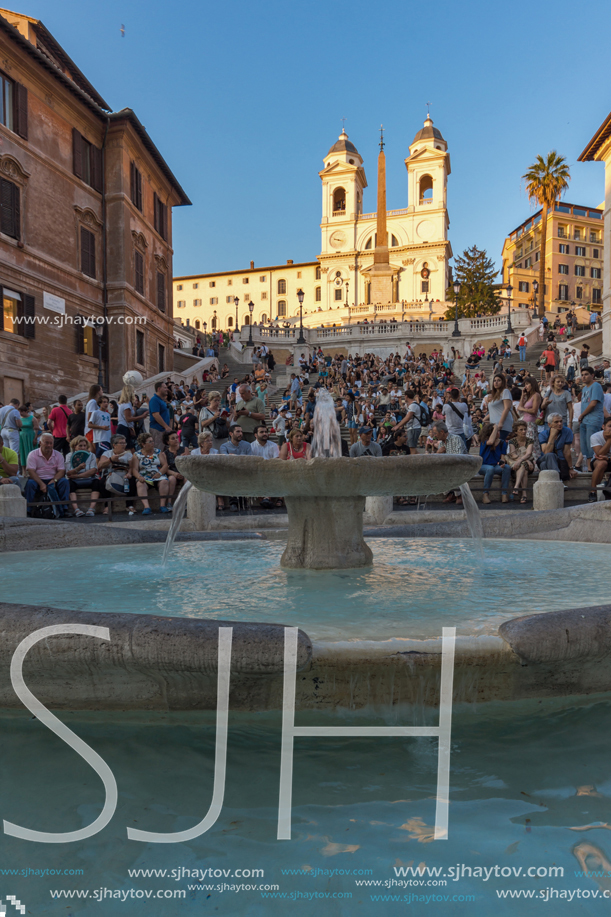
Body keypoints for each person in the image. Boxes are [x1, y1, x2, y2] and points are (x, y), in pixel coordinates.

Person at [25, 432, 70, 515]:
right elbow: (31, 471)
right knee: (30, 484)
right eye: (46, 442)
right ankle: (28, 509)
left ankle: (64, 509)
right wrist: (41, 484)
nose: (49, 445)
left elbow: (61, 471)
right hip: (38, 479)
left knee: (64, 482)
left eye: (51, 443)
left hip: (53, 479)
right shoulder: (33, 454)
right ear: (40, 443)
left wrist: (54, 480)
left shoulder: (58, 455)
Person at [131, 431, 172, 515]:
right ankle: (146, 507)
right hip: (144, 476)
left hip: (158, 475)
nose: (153, 443)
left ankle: (162, 505)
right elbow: (134, 469)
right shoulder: (136, 455)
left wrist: (159, 473)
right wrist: (139, 477)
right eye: (150, 442)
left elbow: (165, 465)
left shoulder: (158, 452)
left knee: (164, 481)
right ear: (143, 444)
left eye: (152, 441)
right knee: (140, 484)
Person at [98, 433, 137, 516]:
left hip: (124, 474)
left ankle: (129, 504)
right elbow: (100, 465)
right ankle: (107, 506)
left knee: (132, 480)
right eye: (121, 443)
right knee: (102, 483)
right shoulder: (107, 453)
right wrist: (110, 460)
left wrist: (129, 473)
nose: (124, 445)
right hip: (111, 473)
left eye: (124, 443)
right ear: (114, 445)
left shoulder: (128, 454)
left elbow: (131, 467)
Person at [430, 420, 467, 505]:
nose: (434, 436)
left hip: (462, 465)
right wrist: (438, 453)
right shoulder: (441, 444)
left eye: (435, 433)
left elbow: (458, 458)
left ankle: (459, 495)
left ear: (442, 432)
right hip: (449, 466)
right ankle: (451, 494)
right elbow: (437, 461)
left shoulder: (456, 439)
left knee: (453, 470)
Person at [65, 435, 102, 516]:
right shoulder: (69, 456)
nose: (83, 447)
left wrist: (78, 476)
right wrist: (78, 468)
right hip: (74, 480)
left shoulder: (91, 455)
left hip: (88, 479)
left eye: (84, 445)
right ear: (75, 447)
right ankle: (76, 509)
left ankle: (91, 509)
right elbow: (68, 473)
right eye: (80, 445)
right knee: (69, 484)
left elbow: (93, 470)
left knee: (97, 483)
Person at [478, 422, 511, 504]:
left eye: (498, 431)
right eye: (496, 431)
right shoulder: (484, 441)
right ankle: (485, 494)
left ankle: (504, 494)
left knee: (506, 467)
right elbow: (491, 442)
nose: (498, 432)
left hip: (494, 466)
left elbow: (502, 457)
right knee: (490, 469)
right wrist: (495, 427)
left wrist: (502, 463)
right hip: (483, 466)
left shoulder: (502, 442)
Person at [538, 413, 576, 482]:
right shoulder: (543, 434)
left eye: (561, 421)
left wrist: (571, 468)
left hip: (559, 460)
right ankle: (557, 480)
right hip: (544, 458)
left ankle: (550, 483)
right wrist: (552, 435)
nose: (560, 424)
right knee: (550, 455)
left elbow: (567, 452)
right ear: (549, 424)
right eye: (556, 422)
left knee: (544, 465)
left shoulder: (567, 431)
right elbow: (546, 452)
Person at [580, 367, 604, 472]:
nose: (583, 377)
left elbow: (593, 403)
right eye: (582, 375)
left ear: (592, 375)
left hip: (593, 420)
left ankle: (593, 466)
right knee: (584, 444)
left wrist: (581, 415)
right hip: (584, 420)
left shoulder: (596, 386)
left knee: (592, 444)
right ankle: (589, 467)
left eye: (586, 374)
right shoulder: (584, 388)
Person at [507, 421, 535, 504]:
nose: (524, 431)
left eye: (525, 429)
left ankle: (516, 487)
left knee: (523, 465)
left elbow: (529, 453)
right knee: (524, 468)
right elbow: (513, 454)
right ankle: (524, 494)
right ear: (516, 432)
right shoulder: (512, 441)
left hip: (527, 464)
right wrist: (524, 460)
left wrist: (521, 460)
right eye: (521, 430)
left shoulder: (530, 440)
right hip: (517, 463)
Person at [483, 373, 514, 442]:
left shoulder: (505, 391)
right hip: (494, 425)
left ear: (503, 382)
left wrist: (501, 423)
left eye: (499, 380)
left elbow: (507, 408)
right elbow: (494, 411)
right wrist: (485, 419)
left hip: (502, 425)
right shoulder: (495, 394)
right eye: (494, 380)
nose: (496, 382)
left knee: (499, 445)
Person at [587, 416, 611, 502]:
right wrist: (609, 440)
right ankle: (593, 491)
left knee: (605, 461)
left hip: (608, 460)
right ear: (603, 426)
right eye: (610, 426)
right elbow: (599, 454)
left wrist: (608, 458)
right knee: (602, 463)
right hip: (598, 461)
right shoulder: (595, 436)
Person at [149, 380, 172, 449]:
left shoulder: (161, 400)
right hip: (157, 430)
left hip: (163, 430)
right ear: (159, 389)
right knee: (159, 450)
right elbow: (156, 415)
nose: (167, 389)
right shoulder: (154, 400)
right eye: (165, 388)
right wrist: (166, 427)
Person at [18, 404, 38, 470]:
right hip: (22, 437)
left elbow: (36, 428)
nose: (20, 413)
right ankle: (23, 470)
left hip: (30, 436)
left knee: (30, 451)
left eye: (21, 412)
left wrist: (35, 438)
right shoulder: (19, 418)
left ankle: (31, 468)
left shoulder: (32, 418)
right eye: (19, 411)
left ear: (26, 411)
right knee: (22, 452)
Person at [84, 383, 103, 448]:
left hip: (91, 429)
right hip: (91, 430)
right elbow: (90, 417)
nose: (102, 391)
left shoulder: (92, 401)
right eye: (101, 390)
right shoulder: (93, 402)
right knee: (93, 449)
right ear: (98, 392)